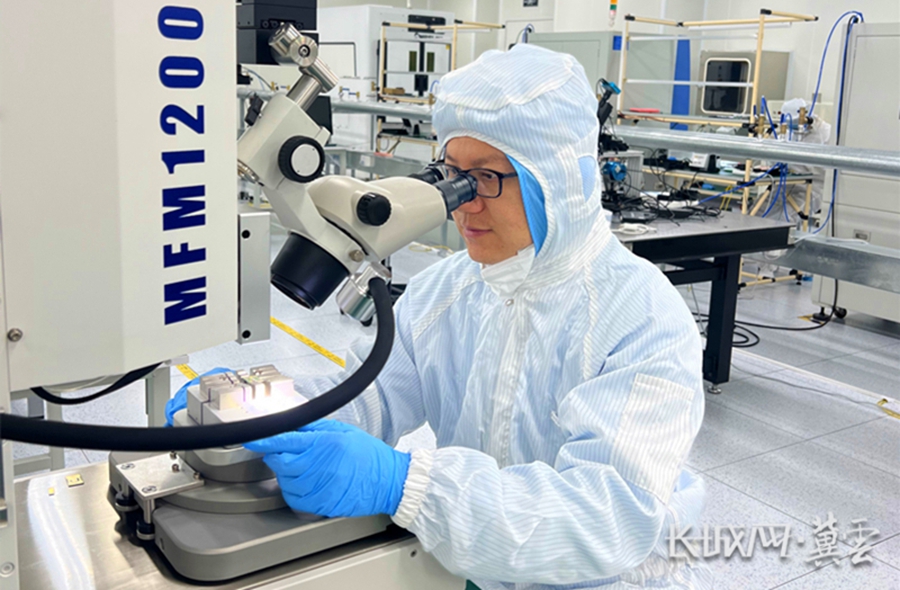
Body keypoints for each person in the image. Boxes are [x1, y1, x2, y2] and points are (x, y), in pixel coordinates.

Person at [245, 45, 711, 589]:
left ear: (558, 180)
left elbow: (605, 519)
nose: (461, 203)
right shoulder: (447, 290)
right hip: (474, 568)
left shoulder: (643, 317)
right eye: (451, 175)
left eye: (485, 177)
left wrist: (406, 484)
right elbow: (368, 395)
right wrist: (260, 410)